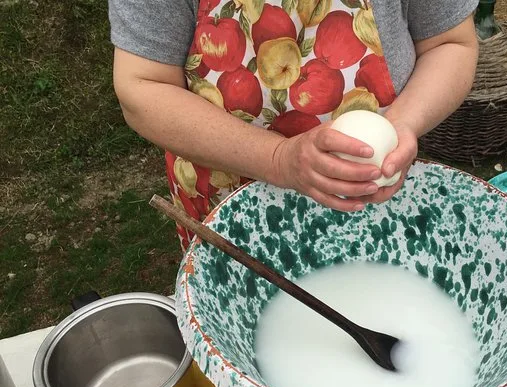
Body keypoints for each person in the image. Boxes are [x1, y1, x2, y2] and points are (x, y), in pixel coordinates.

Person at [109, 0, 479, 251]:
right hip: (234, 222)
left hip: (373, 199)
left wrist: (401, 126)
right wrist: (279, 159)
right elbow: (142, 86)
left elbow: (449, 43)